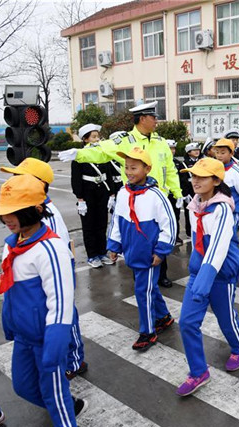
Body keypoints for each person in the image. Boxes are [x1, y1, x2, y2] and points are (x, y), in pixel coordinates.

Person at [0, 174, 84, 427]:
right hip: (23, 337)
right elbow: (12, 291)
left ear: (36, 210)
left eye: (14, 212)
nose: (6, 218)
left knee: (54, 396)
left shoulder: (51, 249)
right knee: (23, 387)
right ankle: (68, 405)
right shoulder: (12, 244)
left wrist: (55, 345)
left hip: (45, 339)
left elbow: (61, 301)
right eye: (4, 212)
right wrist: (10, 323)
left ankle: (64, 413)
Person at [58, 101, 182, 289]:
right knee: (139, 237)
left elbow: (170, 169)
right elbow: (101, 152)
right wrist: (79, 154)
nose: (156, 121)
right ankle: (139, 275)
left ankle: (161, 274)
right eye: (153, 117)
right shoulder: (125, 141)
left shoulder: (160, 142)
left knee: (160, 236)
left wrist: (177, 192)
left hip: (159, 198)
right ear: (143, 119)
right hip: (137, 200)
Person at [0, 159, 87, 381]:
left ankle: (75, 360)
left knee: (65, 312)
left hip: (57, 268)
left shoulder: (47, 214)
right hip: (39, 271)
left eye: (19, 177)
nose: (13, 181)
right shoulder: (24, 211)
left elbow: (55, 251)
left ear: (38, 183)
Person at [176, 158, 239, 396]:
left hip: (221, 273)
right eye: (193, 176)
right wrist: (198, 276)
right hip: (200, 272)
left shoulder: (222, 209)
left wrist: (204, 282)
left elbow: (217, 247)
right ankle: (198, 372)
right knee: (187, 322)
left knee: (225, 318)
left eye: (201, 177)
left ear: (216, 181)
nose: (195, 180)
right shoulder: (195, 205)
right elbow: (198, 244)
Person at [106, 147, 176, 350]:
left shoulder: (156, 195)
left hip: (149, 254)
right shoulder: (123, 193)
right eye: (127, 167)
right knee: (147, 288)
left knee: (142, 292)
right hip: (132, 252)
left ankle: (148, 332)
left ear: (147, 169)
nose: (129, 172)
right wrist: (114, 245)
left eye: (134, 168)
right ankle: (163, 317)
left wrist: (161, 251)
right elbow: (117, 221)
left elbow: (169, 225)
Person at [71, 123, 114, 269]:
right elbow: (76, 179)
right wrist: (80, 199)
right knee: (89, 225)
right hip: (87, 194)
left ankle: (102, 252)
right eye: (93, 137)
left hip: (102, 192)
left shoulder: (102, 154)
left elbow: (108, 174)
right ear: (85, 139)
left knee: (102, 223)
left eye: (97, 137)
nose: (97, 139)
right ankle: (92, 255)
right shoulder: (79, 155)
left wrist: (111, 194)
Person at [212, 138, 239, 272]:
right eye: (217, 152)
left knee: (229, 239)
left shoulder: (236, 172)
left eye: (223, 152)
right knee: (220, 240)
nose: (219, 155)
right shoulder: (212, 170)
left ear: (231, 153)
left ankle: (235, 265)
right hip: (216, 211)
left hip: (233, 212)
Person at [177, 142, 203, 239]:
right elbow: (183, 180)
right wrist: (185, 194)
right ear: (188, 152)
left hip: (201, 190)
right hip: (190, 191)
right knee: (190, 213)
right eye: (194, 150)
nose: (197, 152)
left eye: (198, 150)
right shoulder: (184, 164)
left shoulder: (202, 161)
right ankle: (190, 231)